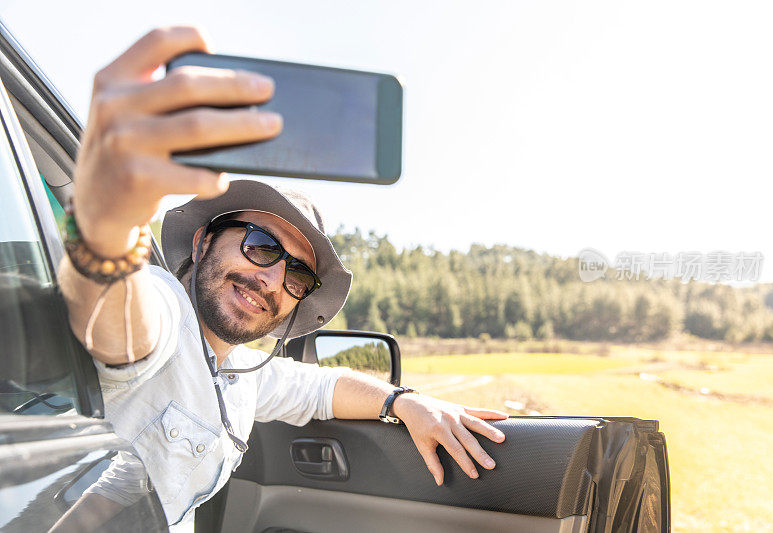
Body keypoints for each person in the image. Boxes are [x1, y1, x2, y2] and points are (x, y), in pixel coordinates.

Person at [57, 26, 507, 530]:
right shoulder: (162, 310)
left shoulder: (244, 373)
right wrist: (102, 223)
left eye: (297, 275)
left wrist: (403, 402)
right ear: (205, 240)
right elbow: (118, 320)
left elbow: (321, 387)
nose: (271, 279)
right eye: (261, 245)